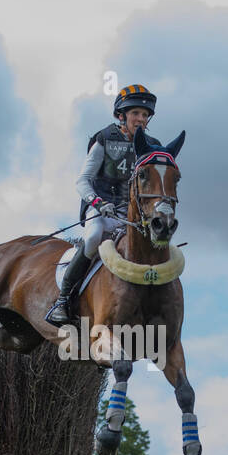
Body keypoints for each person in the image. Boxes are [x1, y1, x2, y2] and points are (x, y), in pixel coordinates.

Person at [46, 84, 162, 326]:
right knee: (93, 238)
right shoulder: (104, 139)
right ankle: (63, 299)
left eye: (144, 115)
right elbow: (82, 181)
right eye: (135, 114)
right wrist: (98, 203)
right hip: (100, 209)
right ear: (122, 115)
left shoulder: (152, 145)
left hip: (134, 215)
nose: (141, 119)